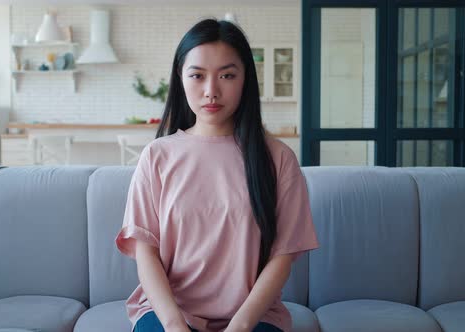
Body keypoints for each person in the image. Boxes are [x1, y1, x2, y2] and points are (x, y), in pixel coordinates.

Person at [115, 18, 318, 332]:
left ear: (245, 80)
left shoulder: (278, 158)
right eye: (197, 75)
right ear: (181, 79)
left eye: (227, 75)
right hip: (168, 311)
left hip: (253, 317)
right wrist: (173, 324)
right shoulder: (157, 156)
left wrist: (241, 325)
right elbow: (146, 251)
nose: (211, 91)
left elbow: (283, 256)